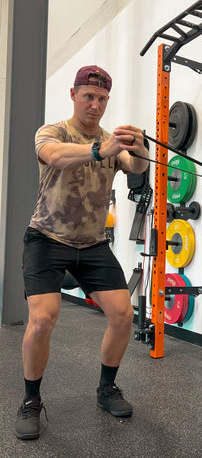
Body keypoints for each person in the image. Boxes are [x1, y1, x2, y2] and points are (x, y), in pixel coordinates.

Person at [15, 65, 149, 440]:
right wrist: (98, 149)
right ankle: (30, 401)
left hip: (92, 244)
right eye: (89, 96)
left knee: (124, 315)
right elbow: (54, 156)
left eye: (102, 98)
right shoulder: (53, 131)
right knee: (43, 319)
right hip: (46, 238)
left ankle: (106, 389)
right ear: (73, 95)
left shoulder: (112, 139)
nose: (96, 104)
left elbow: (135, 167)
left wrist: (140, 148)